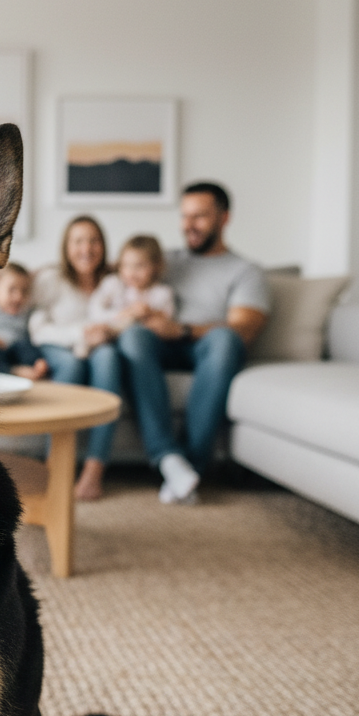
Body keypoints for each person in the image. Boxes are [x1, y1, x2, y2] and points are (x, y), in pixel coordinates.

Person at [116, 182, 270, 504]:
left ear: (224, 218)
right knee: (132, 335)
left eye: (199, 216)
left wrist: (182, 330)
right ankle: (169, 458)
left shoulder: (245, 271)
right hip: (155, 345)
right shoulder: (164, 260)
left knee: (226, 339)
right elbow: (113, 273)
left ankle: (191, 465)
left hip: (206, 349)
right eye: (185, 216)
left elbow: (245, 329)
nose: (189, 225)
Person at [30, 215, 123, 501]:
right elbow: (37, 329)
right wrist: (82, 334)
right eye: (78, 241)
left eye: (94, 240)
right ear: (67, 247)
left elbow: (129, 315)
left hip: (101, 348)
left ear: (103, 246)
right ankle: (54, 468)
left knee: (109, 358)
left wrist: (107, 332)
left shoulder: (115, 281)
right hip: (59, 347)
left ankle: (94, 471)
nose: (87, 248)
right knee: (72, 364)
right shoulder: (51, 278)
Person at [0, 263, 50, 381]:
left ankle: (37, 366)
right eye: (12, 289)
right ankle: (13, 371)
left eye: (24, 291)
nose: (18, 296)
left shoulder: (24, 313)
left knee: (27, 347)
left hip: (14, 349)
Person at [88, 235, 175, 333]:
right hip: (109, 334)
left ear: (156, 266)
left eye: (139, 265)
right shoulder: (113, 283)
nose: (131, 272)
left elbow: (167, 324)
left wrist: (150, 313)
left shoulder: (163, 293)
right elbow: (94, 310)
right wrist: (125, 314)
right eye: (126, 265)